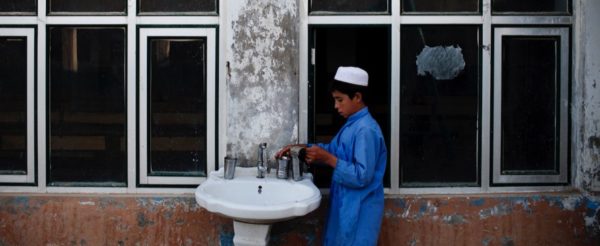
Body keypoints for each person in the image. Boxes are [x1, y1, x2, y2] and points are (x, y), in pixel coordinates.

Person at [276, 66, 387, 245]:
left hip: (359, 210)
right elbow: (333, 150)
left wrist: (327, 158)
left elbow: (362, 176)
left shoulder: (366, 130)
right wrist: (301, 148)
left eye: (340, 100)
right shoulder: (352, 125)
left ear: (357, 97)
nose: (336, 106)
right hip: (345, 207)